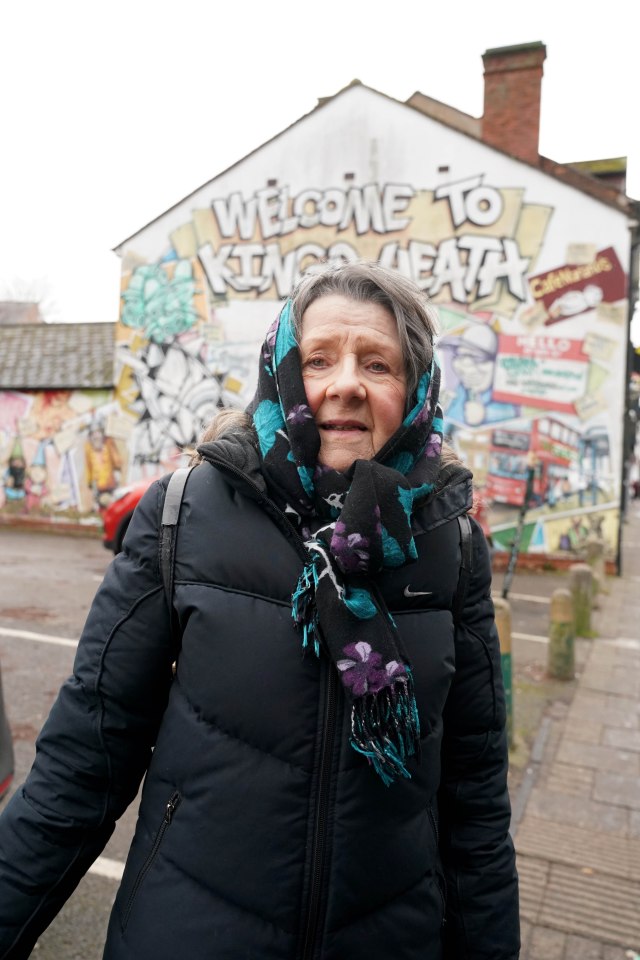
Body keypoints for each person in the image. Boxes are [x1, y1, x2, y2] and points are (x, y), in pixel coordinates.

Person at [0, 261, 519, 960]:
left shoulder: (451, 545)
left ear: (416, 388)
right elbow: (81, 764)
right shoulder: (186, 513)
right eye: (318, 359)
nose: (345, 384)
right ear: (281, 371)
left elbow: (474, 802)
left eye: (378, 363)